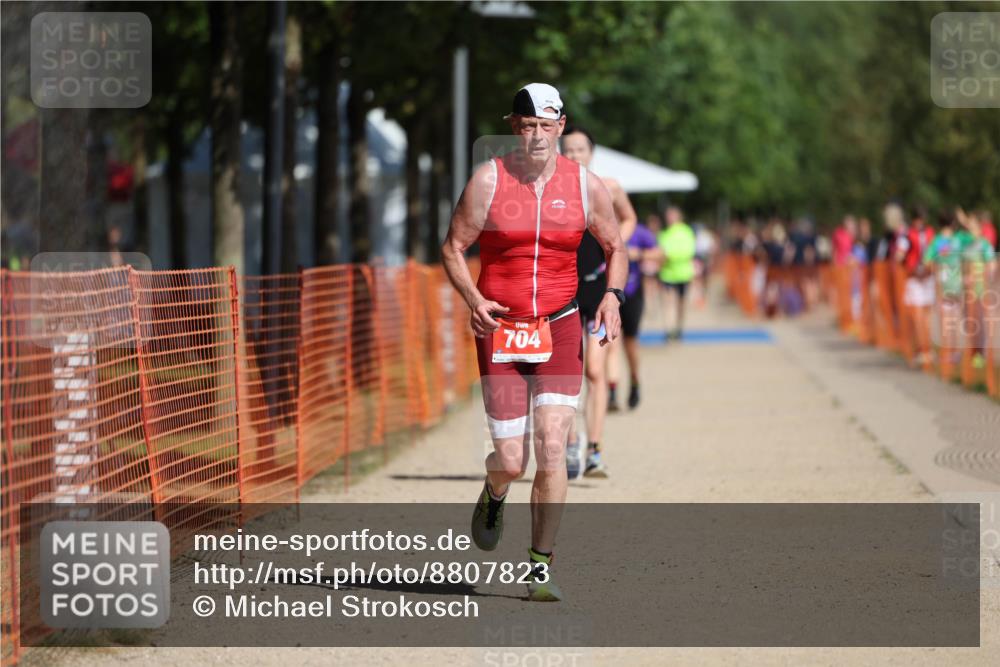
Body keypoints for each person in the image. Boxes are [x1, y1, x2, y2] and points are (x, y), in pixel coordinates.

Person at [441, 83, 626, 601]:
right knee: (510, 459)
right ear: (513, 127)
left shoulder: (586, 186)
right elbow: (453, 248)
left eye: (547, 126)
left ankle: (540, 566)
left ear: (561, 127)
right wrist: (474, 299)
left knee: (552, 447)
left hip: (560, 324)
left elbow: (615, 246)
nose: (538, 136)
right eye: (527, 127)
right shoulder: (489, 181)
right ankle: (494, 489)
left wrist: (612, 297)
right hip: (501, 327)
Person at [560, 125, 636, 478]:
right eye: (568, 149)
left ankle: (595, 449)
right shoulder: (553, 189)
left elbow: (629, 217)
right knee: (567, 373)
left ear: (592, 153)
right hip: (564, 291)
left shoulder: (608, 187)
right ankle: (571, 443)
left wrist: (616, 244)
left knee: (594, 370)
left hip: (599, 291)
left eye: (580, 149)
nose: (574, 155)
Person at [896, 206, 936, 367]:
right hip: (914, 277)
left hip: (927, 276)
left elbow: (937, 253)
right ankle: (922, 349)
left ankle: (927, 349)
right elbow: (900, 255)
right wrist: (909, 267)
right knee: (918, 316)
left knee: (926, 316)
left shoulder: (929, 234)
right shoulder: (907, 236)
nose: (920, 222)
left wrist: (929, 268)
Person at [657, 205, 696, 339]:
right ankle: (669, 329)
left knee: (681, 304)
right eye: (668, 216)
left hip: (683, 274)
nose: (669, 218)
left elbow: (689, 251)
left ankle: (679, 328)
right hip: (667, 274)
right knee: (668, 303)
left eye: (672, 215)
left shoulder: (686, 231)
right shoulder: (664, 233)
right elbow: (660, 251)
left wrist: (669, 255)